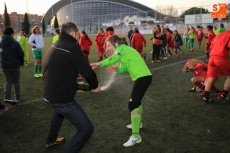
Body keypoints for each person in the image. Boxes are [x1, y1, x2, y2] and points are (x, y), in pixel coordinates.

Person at [43, 22, 100, 153]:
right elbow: (87, 72)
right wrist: (94, 86)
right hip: (60, 97)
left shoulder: (55, 44)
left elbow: (59, 71)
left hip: (49, 93)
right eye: (78, 33)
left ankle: (51, 139)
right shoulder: (72, 46)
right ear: (73, 33)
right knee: (86, 129)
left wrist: (74, 87)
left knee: (58, 113)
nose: (79, 35)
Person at [91, 35, 152, 147]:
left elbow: (113, 59)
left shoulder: (121, 49)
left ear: (116, 44)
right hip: (143, 77)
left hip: (143, 77)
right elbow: (124, 68)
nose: (108, 48)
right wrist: (117, 68)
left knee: (132, 104)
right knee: (136, 102)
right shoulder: (124, 52)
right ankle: (138, 124)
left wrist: (99, 63)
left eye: (109, 45)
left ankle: (136, 136)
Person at [203, 30, 230, 103]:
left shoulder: (219, 35)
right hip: (221, 58)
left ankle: (206, 97)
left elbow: (211, 46)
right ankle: (223, 95)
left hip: (211, 58)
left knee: (210, 78)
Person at [0, 27, 24, 104]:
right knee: (16, 81)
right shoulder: (15, 43)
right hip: (15, 65)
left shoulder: (1, 43)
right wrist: (21, 62)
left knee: (8, 81)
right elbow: (21, 54)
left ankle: (7, 97)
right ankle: (17, 97)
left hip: (5, 65)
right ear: (12, 33)